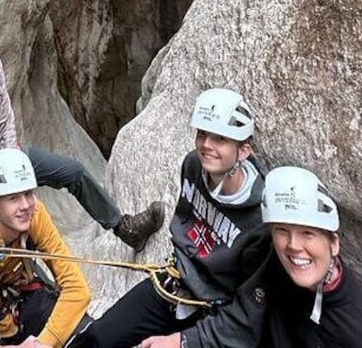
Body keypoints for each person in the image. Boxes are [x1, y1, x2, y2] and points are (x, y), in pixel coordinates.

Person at [0, 3, 164, 251]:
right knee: (16, 241)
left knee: (73, 173)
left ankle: (124, 229)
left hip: (4, 156)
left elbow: (5, 117)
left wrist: (11, 161)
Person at [68, 88, 270, 348]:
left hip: (215, 313)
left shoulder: (260, 219)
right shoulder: (193, 166)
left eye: (220, 138)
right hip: (175, 284)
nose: (206, 145)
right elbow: (185, 224)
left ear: (242, 151)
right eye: (203, 134)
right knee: (98, 337)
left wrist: (185, 340)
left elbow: (247, 303)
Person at [0, 148, 92, 347]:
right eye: (13, 198)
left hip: (26, 303)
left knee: (89, 336)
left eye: (28, 193)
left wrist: (43, 343)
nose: (25, 205)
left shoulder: (35, 214)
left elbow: (77, 288)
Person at [257, 165, 362, 347]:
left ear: (333, 244)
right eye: (282, 230)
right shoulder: (275, 268)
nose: (293, 245)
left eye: (307, 233)